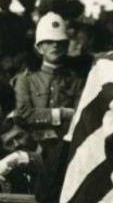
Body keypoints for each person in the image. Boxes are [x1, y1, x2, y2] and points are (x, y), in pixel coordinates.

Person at [14, 12, 83, 146]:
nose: (55, 46)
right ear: (39, 48)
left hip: (65, 146)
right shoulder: (26, 80)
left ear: (66, 46)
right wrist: (61, 114)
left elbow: (79, 115)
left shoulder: (76, 81)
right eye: (49, 42)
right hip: (32, 145)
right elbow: (23, 114)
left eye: (59, 42)